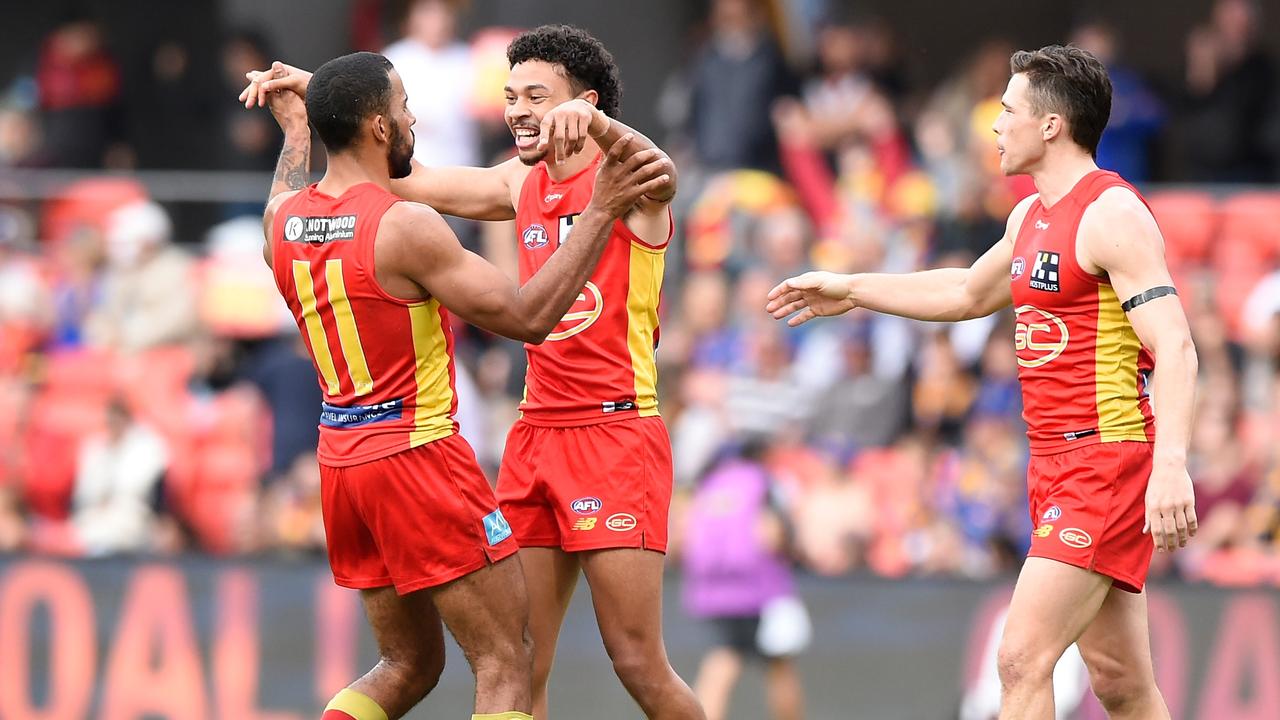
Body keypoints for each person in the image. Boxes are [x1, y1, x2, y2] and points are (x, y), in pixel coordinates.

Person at [242, 25, 701, 720]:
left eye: (535, 96)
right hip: (534, 435)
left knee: (637, 661)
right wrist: (333, 98)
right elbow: (401, 172)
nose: (516, 109)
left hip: (615, 435)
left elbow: (664, 173)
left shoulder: (628, 180)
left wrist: (604, 128)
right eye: (510, 95)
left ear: (586, 100)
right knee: (522, 660)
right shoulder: (516, 180)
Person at [767, 45, 1198, 719]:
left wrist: (1171, 465)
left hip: (1104, 461)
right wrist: (852, 289)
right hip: (1055, 463)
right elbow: (967, 292)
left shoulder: (1111, 214)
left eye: (1006, 110)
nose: (993, 125)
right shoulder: (1029, 217)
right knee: (1119, 682)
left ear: (1051, 125)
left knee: (1021, 658)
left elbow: (1174, 344)